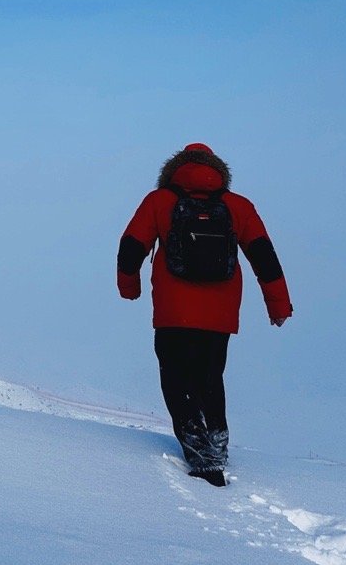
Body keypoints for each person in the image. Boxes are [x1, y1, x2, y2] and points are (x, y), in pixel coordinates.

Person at [117, 143, 292, 486]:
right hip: (220, 314)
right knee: (210, 375)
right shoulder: (238, 206)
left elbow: (130, 246)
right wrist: (278, 305)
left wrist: (130, 288)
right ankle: (217, 441)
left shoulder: (159, 201)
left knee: (176, 376)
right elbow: (265, 258)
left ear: (174, 169)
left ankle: (200, 453)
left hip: (172, 312)